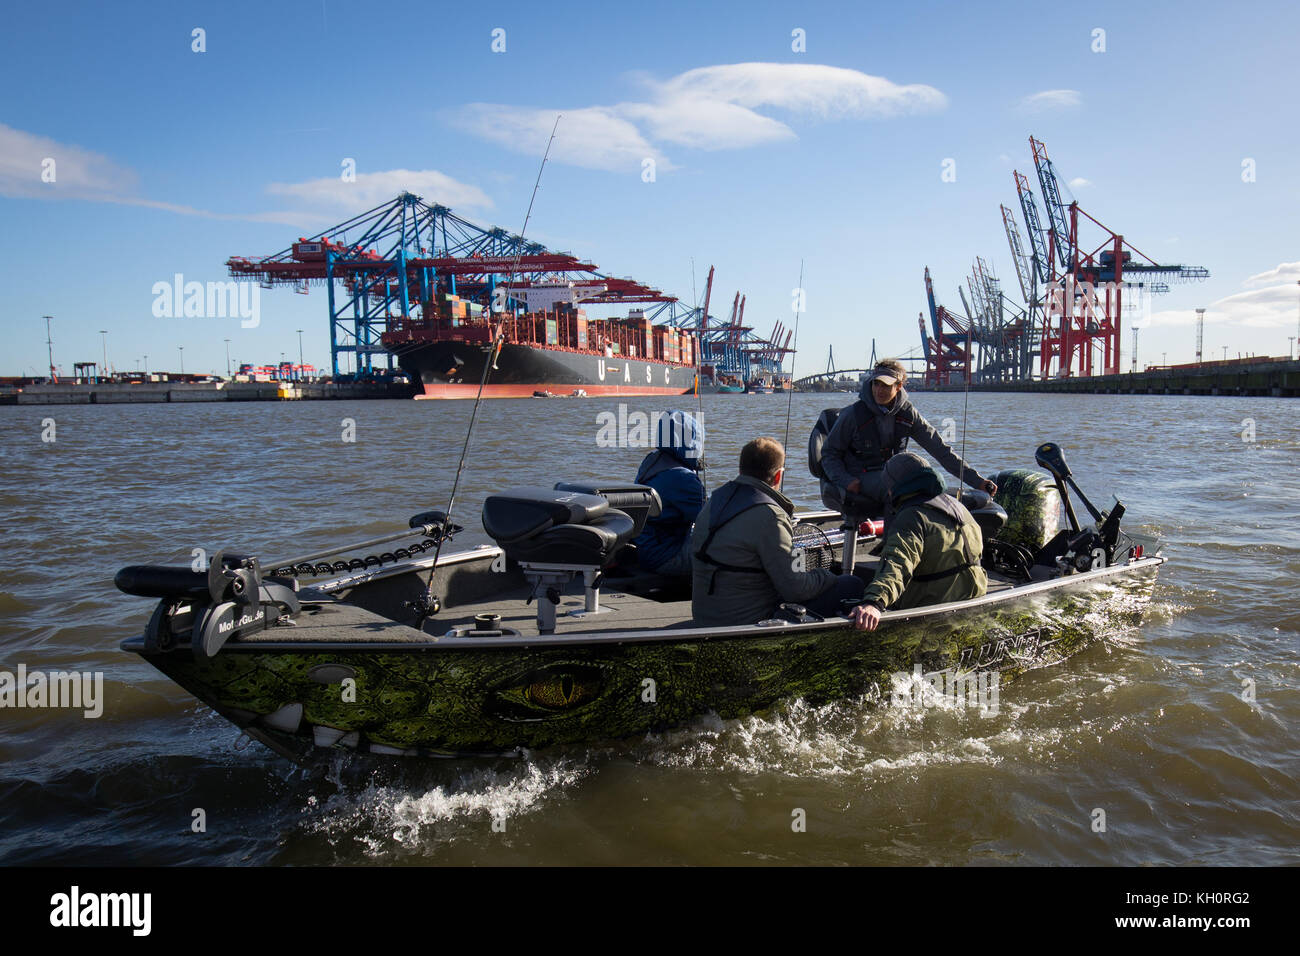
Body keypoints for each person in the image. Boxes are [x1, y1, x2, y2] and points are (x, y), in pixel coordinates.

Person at [691, 437, 865, 626]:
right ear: (778, 476)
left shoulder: (715, 501)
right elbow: (796, 589)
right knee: (851, 584)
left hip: (704, 615)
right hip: (746, 621)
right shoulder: (770, 516)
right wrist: (827, 575)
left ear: (741, 469)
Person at [820, 359, 997, 518]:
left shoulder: (908, 413)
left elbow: (940, 450)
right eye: (876, 384)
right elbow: (828, 454)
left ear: (899, 386)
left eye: (886, 385)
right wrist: (846, 480)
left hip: (893, 473)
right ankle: (894, 546)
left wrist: (977, 481)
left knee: (932, 483)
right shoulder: (853, 414)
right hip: (860, 476)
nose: (879, 390)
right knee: (900, 490)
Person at [850, 452, 988, 631]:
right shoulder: (959, 507)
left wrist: (874, 602)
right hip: (973, 603)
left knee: (849, 587)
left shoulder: (912, 516)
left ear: (896, 485)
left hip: (932, 614)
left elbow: (897, 564)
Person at [631, 410, 706, 578]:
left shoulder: (653, 461)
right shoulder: (682, 478)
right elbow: (711, 520)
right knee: (729, 544)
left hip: (646, 551)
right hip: (666, 557)